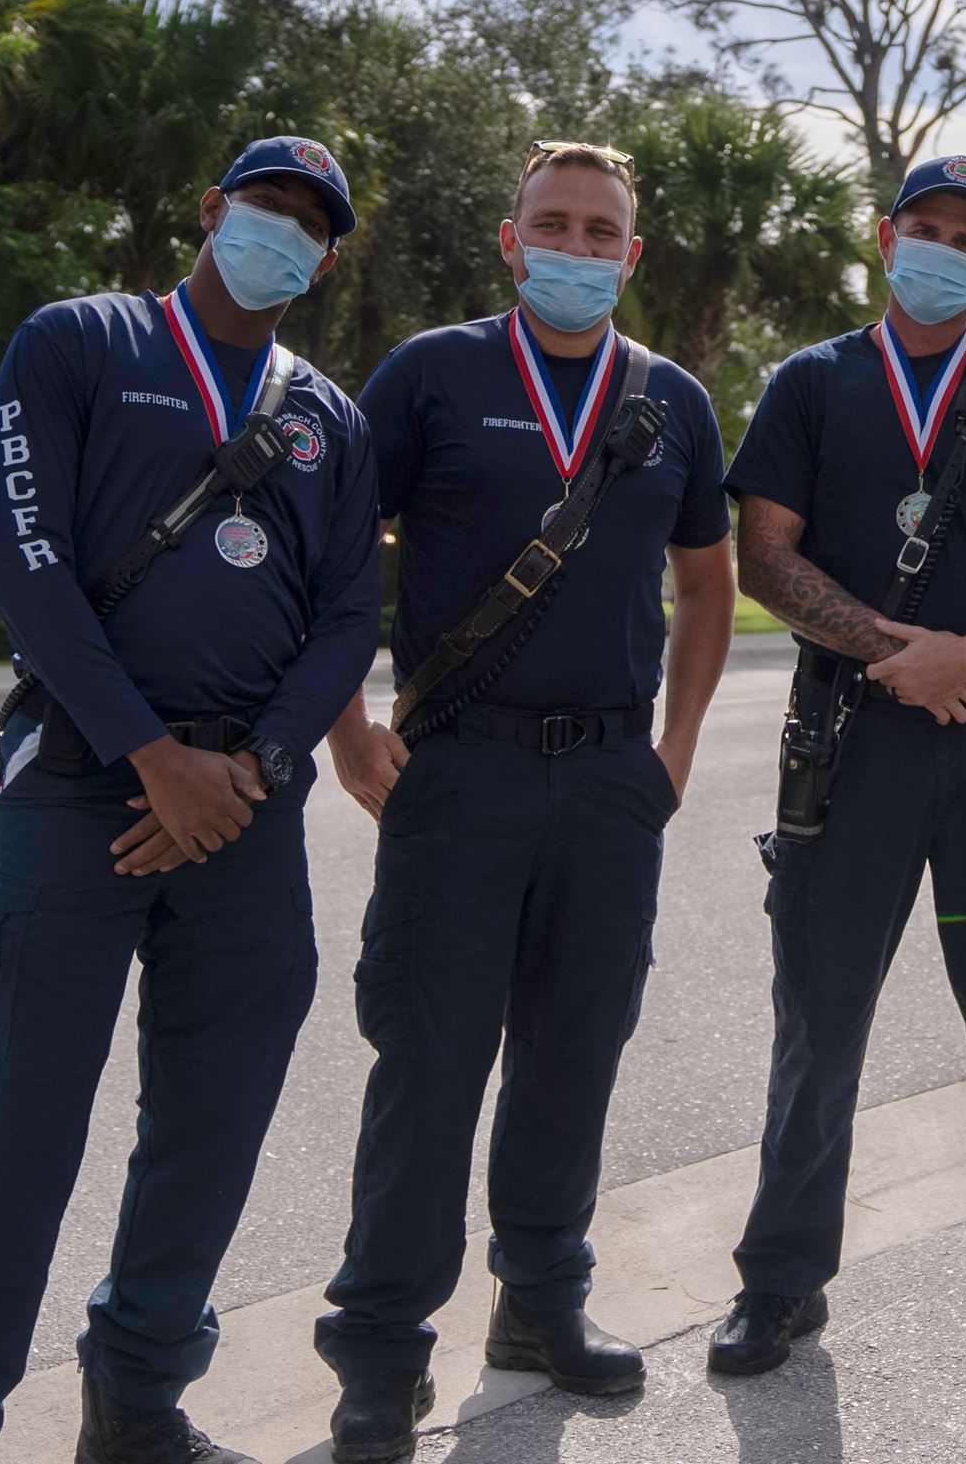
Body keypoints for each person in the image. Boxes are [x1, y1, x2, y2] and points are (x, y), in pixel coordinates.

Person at [0, 138, 380, 1464]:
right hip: (82, 787)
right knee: (15, 1143)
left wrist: (256, 768)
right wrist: (152, 751)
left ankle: (139, 1404)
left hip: (247, 815)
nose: (285, 233)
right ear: (210, 207)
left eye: (311, 226)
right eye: (268, 205)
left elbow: (347, 616)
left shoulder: (328, 412)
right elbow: (23, 557)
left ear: (325, 259)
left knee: (210, 1129)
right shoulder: (77, 343)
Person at [310, 141, 736, 1459]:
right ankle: (382, 1347)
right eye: (551, 224)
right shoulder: (433, 373)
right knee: (431, 1062)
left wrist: (671, 753)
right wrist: (346, 727)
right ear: (509, 240)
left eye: (599, 229)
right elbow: (332, 557)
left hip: (610, 777)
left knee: (574, 1053)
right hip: (462, 766)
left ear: (631, 252)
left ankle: (541, 1303)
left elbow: (710, 586)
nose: (575, 245)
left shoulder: (670, 400)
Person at [706, 155, 966, 1387]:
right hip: (851, 733)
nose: (940, 247)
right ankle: (778, 1285)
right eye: (921, 227)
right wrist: (897, 654)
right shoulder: (813, 381)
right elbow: (762, 559)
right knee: (817, 1024)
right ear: (885, 237)